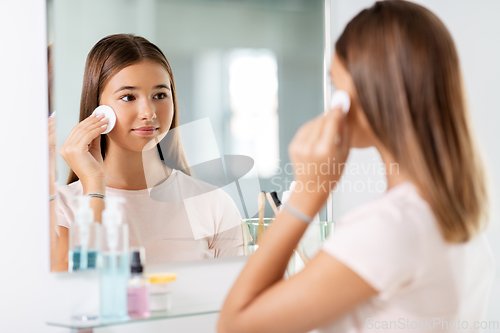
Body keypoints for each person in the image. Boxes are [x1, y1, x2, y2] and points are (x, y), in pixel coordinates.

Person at [218, 1, 495, 332]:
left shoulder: (388, 226)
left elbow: (235, 324)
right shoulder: (455, 217)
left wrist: (308, 193)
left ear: (368, 93)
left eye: (336, 84)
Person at [52, 34, 245, 271]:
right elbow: (69, 292)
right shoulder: (60, 207)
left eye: (160, 95)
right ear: (97, 109)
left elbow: (235, 301)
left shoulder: (213, 204)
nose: (148, 112)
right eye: (128, 97)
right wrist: (94, 186)